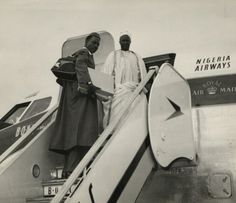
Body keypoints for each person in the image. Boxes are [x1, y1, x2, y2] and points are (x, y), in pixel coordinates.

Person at [49, 32, 101, 178]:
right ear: (87, 41)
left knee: (73, 131)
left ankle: (68, 169)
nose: (96, 46)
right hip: (80, 96)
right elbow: (81, 67)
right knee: (81, 130)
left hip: (72, 95)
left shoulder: (79, 53)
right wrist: (89, 84)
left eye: (98, 44)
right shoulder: (84, 53)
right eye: (94, 42)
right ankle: (73, 169)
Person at [102, 34, 147, 126]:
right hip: (118, 91)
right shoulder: (113, 55)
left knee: (134, 116)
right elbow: (106, 74)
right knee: (118, 117)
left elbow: (142, 75)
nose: (125, 42)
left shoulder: (136, 56)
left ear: (130, 42)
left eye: (127, 41)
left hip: (134, 90)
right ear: (119, 42)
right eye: (123, 41)